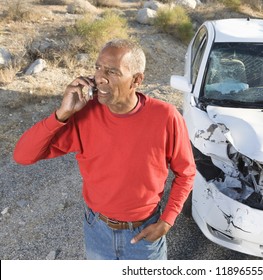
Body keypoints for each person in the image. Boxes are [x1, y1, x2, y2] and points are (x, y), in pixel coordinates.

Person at [13, 39, 196, 260]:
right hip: (96, 231)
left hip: (144, 236)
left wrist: (167, 220)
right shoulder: (83, 115)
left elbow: (186, 173)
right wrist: (62, 113)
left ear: (136, 80)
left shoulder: (166, 116)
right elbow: (22, 156)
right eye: (98, 67)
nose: (100, 78)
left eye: (112, 71)